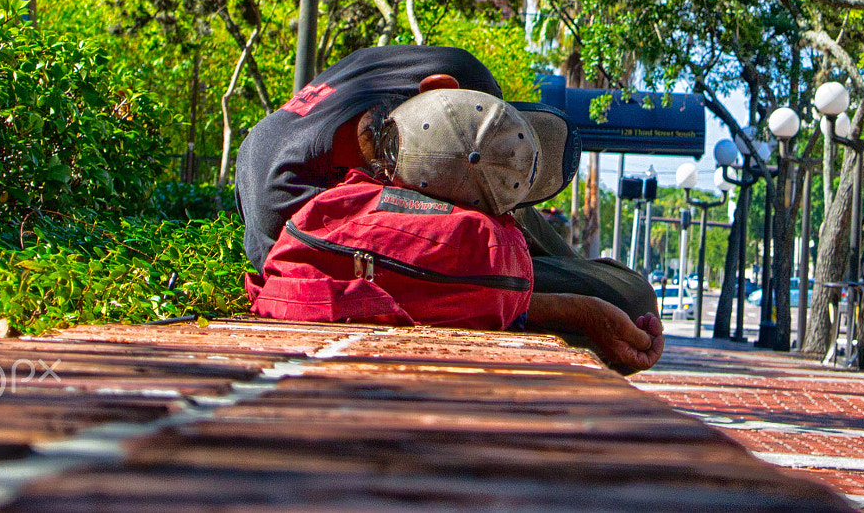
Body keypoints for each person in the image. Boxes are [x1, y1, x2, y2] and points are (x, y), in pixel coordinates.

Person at [236, 44, 664, 373]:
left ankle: (570, 261)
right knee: (629, 301)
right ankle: (582, 269)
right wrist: (581, 310)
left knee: (497, 194)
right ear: (439, 91)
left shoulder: (389, 84)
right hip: (387, 232)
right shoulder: (300, 200)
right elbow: (441, 288)